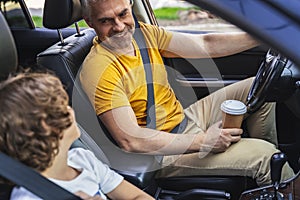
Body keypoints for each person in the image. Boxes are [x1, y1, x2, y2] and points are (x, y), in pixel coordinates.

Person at [79, 0, 295, 186]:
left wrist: (267, 35)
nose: (118, 27)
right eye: (105, 21)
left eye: (122, 14)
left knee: (258, 88)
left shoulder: (144, 34)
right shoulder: (99, 69)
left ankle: (265, 180)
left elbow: (205, 44)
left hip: (185, 117)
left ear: (130, 5)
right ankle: (272, 169)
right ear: (90, 22)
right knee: (267, 157)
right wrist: (203, 141)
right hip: (163, 152)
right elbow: (132, 140)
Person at [0, 73, 154, 200]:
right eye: (64, 108)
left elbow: (138, 196)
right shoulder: (28, 196)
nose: (71, 110)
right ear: (47, 128)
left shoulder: (83, 159)